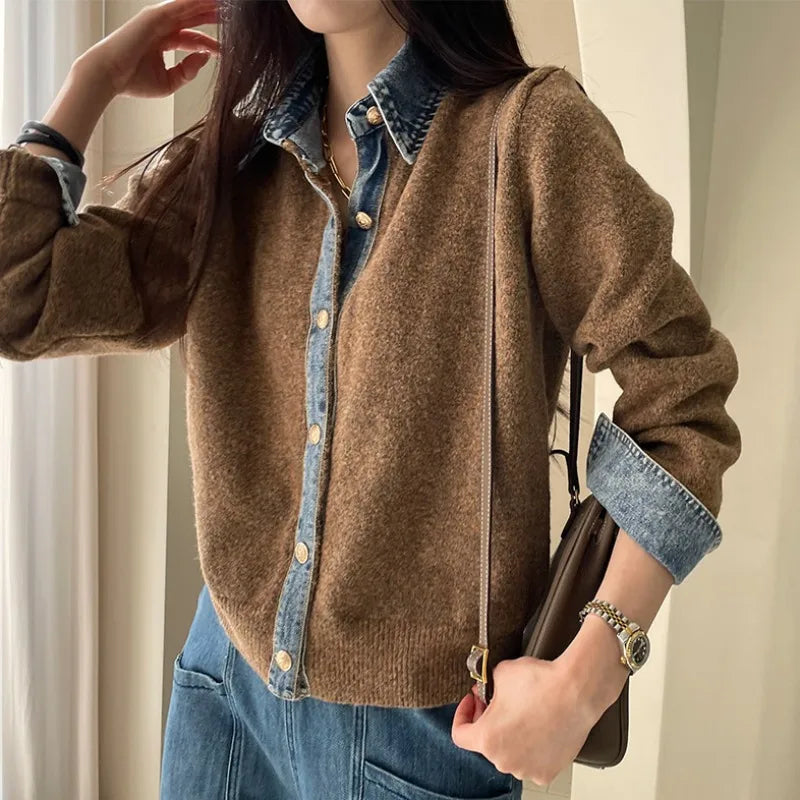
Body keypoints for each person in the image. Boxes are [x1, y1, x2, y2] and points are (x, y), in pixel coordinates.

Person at [0, 0, 742, 797]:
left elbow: (683, 399)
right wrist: (91, 81)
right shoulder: (237, 163)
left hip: (417, 738)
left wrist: (588, 675)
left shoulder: (530, 135)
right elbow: (19, 294)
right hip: (225, 691)